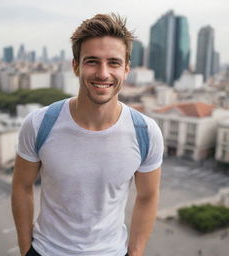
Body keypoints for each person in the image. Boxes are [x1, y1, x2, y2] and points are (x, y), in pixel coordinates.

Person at [11, 13, 163, 256]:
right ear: (75, 66)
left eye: (113, 62)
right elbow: (21, 185)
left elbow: (148, 196)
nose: (103, 73)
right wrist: (25, 249)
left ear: (126, 69)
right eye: (92, 61)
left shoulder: (145, 132)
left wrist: (135, 253)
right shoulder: (39, 124)